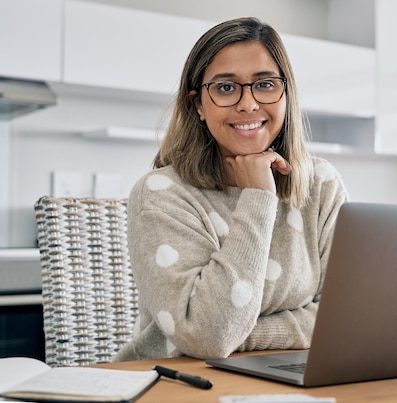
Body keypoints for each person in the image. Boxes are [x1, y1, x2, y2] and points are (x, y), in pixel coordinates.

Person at [113, 17, 348, 361]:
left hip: (286, 375)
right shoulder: (160, 194)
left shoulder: (321, 183)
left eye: (265, 84)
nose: (248, 104)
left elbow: (345, 318)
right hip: (175, 385)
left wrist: (242, 334)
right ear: (198, 105)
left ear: (286, 93)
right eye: (226, 88)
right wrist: (259, 198)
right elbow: (208, 338)